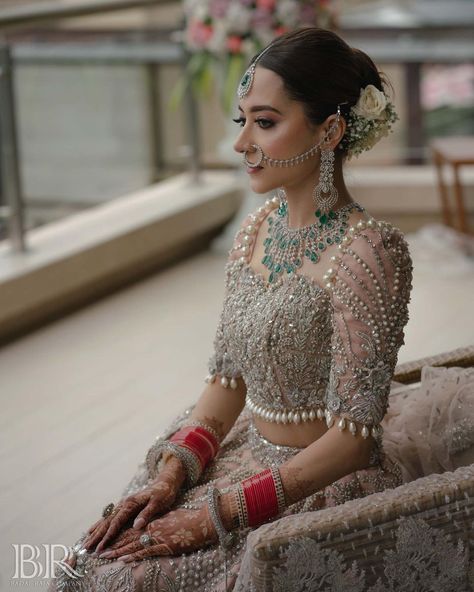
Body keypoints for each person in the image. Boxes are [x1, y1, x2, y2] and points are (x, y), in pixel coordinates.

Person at [49, 27, 413, 592]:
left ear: (331, 129)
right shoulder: (255, 231)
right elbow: (227, 380)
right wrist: (174, 476)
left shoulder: (370, 251)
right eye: (242, 120)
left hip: (316, 488)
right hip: (241, 459)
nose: (242, 143)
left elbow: (353, 438)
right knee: (92, 562)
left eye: (264, 122)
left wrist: (215, 516)